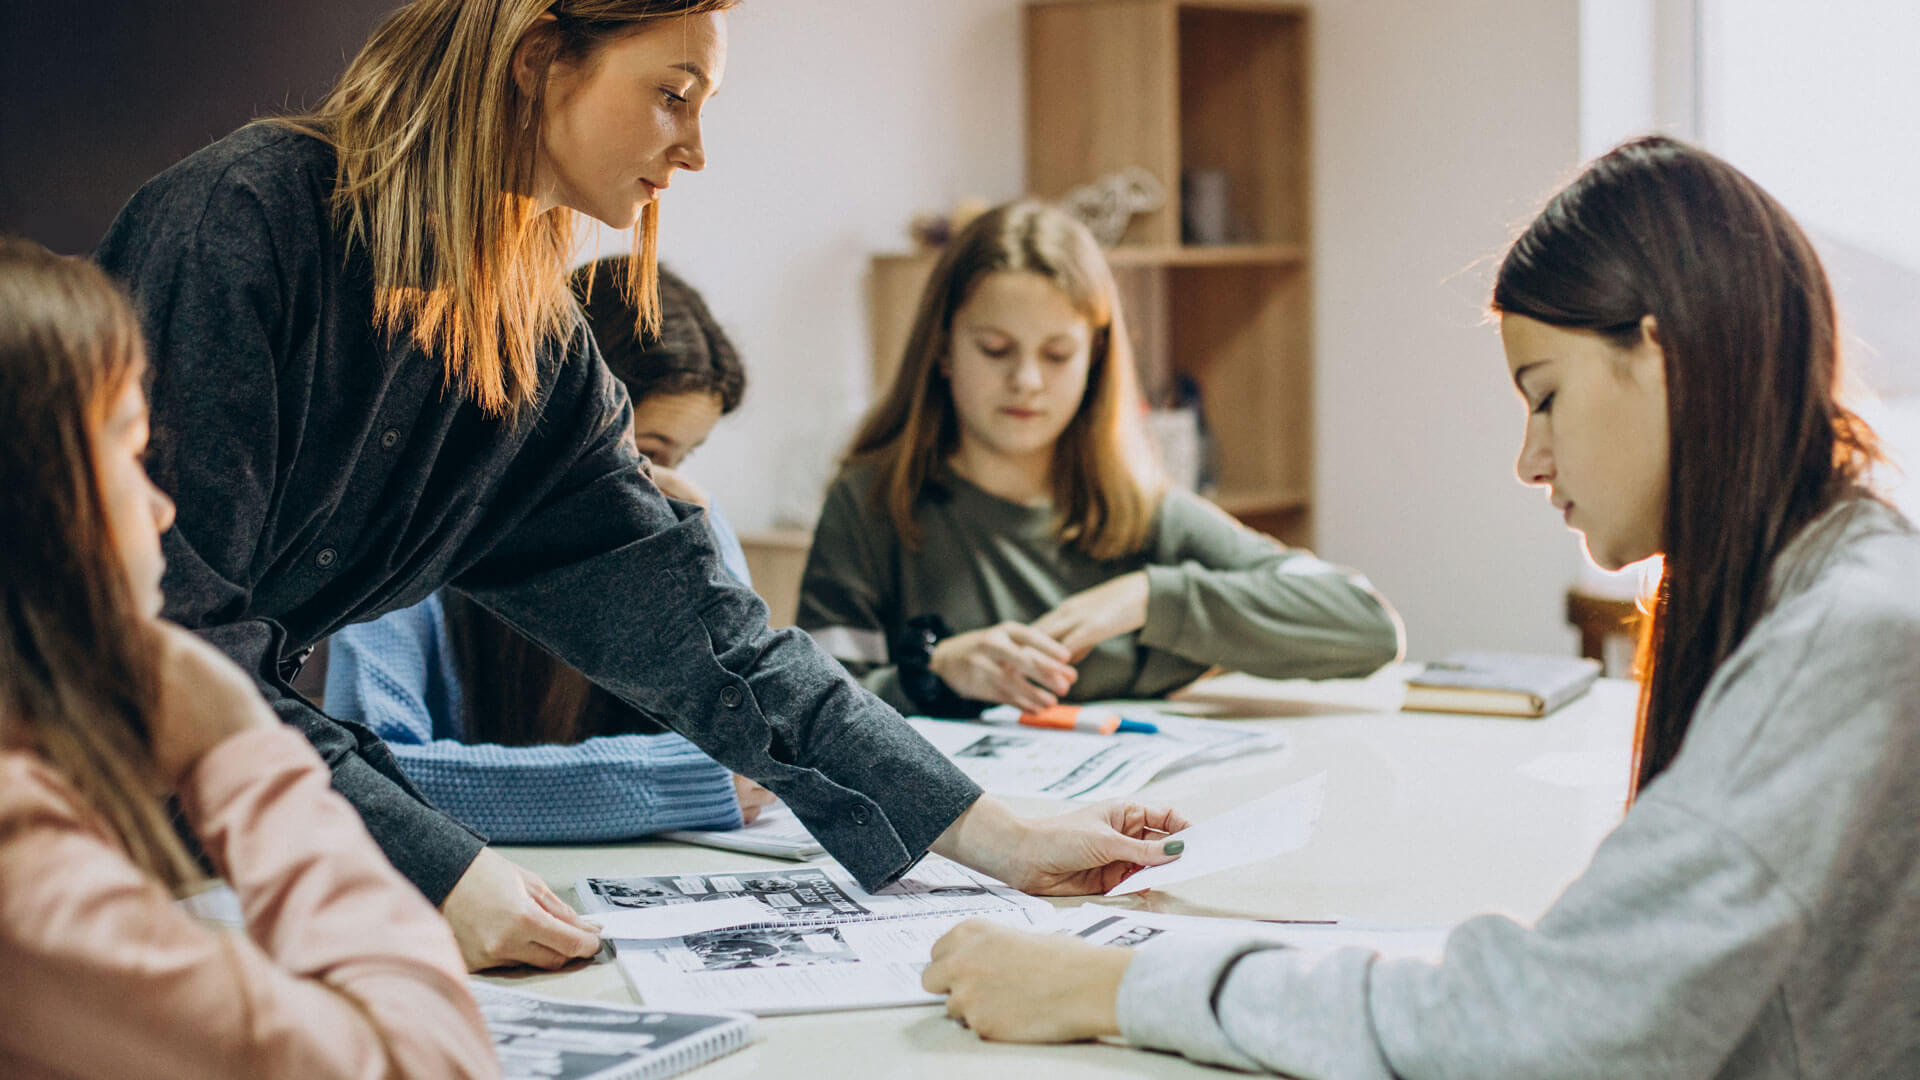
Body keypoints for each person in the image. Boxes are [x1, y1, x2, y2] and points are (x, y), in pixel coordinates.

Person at [93, 0, 1184, 973]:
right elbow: (170, 638)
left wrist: (995, 832)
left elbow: (716, 644)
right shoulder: (241, 223)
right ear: (535, 59)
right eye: (673, 95)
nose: (697, 150)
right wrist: (431, 867)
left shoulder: (536, 351)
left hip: (222, 847)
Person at [921, 137, 1920, 1078]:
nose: (1530, 459)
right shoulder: (1822, 583)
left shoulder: (1844, 638)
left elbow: (1550, 1028)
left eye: (1544, 395)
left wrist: (1115, 986)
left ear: (1659, 357)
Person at [0, 238, 497, 1079]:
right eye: (129, 451)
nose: (161, 508)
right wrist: (239, 747)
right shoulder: (21, 859)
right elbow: (430, 1064)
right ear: (33, 500)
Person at [799, 201, 1401, 717]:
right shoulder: (870, 504)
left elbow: (1369, 626)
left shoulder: (1144, 512)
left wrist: (1147, 598)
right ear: (943, 351)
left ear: (1095, 361)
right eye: (995, 349)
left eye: (1058, 354)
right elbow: (807, 710)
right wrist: (935, 674)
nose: (1027, 381)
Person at [324, 259, 777, 842]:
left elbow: (754, 753)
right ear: (556, 421)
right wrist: (683, 785)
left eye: (682, 459)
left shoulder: (693, 523)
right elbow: (372, 783)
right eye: (649, 453)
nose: (665, 487)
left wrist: (699, 570)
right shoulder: (402, 536)